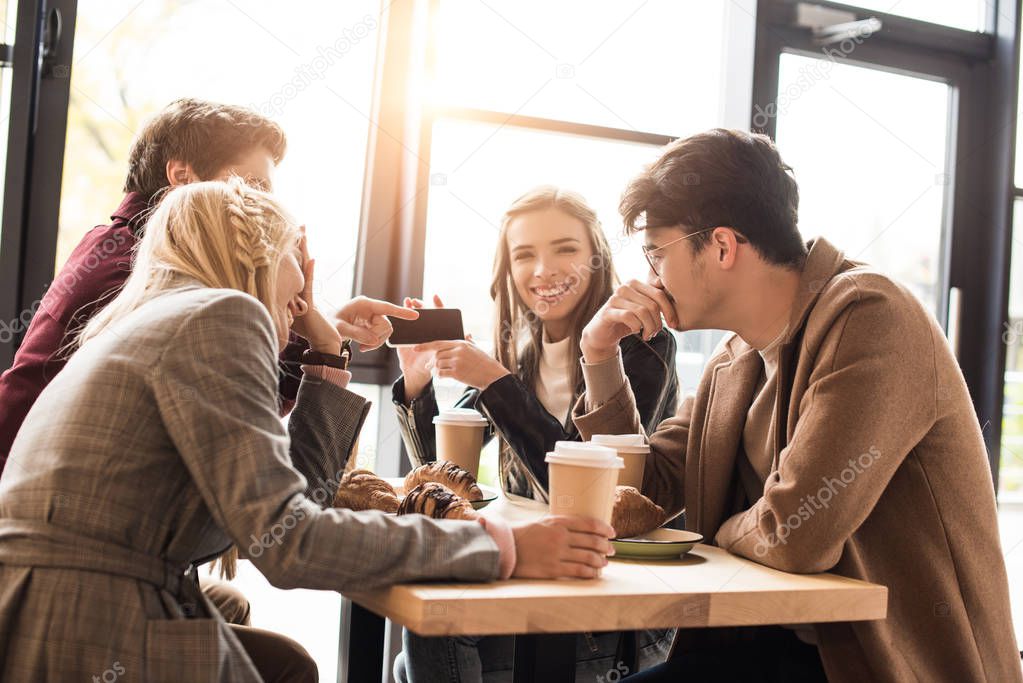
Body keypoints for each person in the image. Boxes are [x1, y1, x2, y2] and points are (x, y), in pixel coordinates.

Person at [0, 178, 616, 682]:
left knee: (293, 666)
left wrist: (324, 351)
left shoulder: (154, 315)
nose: (301, 294)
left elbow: (301, 504)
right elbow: (289, 546)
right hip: (85, 615)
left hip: (45, 600)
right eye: (298, 268)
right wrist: (500, 548)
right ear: (263, 258)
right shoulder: (221, 314)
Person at [567, 128, 1021, 682]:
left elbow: (794, 533)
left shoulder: (871, 315)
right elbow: (641, 494)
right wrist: (598, 353)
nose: (649, 277)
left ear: (723, 246)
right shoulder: (733, 361)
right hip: (760, 652)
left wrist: (717, 531)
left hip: (877, 665)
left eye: (656, 254)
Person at [0, 97, 300, 627]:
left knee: (234, 610)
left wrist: (293, 316)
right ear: (183, 178)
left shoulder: (119, 250)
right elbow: (226, 422)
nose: (263, 209)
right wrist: (301, 341)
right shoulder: (140, 270)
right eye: (251, 188)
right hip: (59, 552)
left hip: (56, 530)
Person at [393, 187, 677, 681]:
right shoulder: (518, 353)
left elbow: (590, 494)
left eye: (564, 249)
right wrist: (418, 382)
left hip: (611, 611)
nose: (543, 270)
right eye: (524, 255)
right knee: (420, 638)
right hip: (534, 580)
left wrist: (495, 383)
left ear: (596, 257)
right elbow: (445, 480)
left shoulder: (639, 348)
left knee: (429, 641)